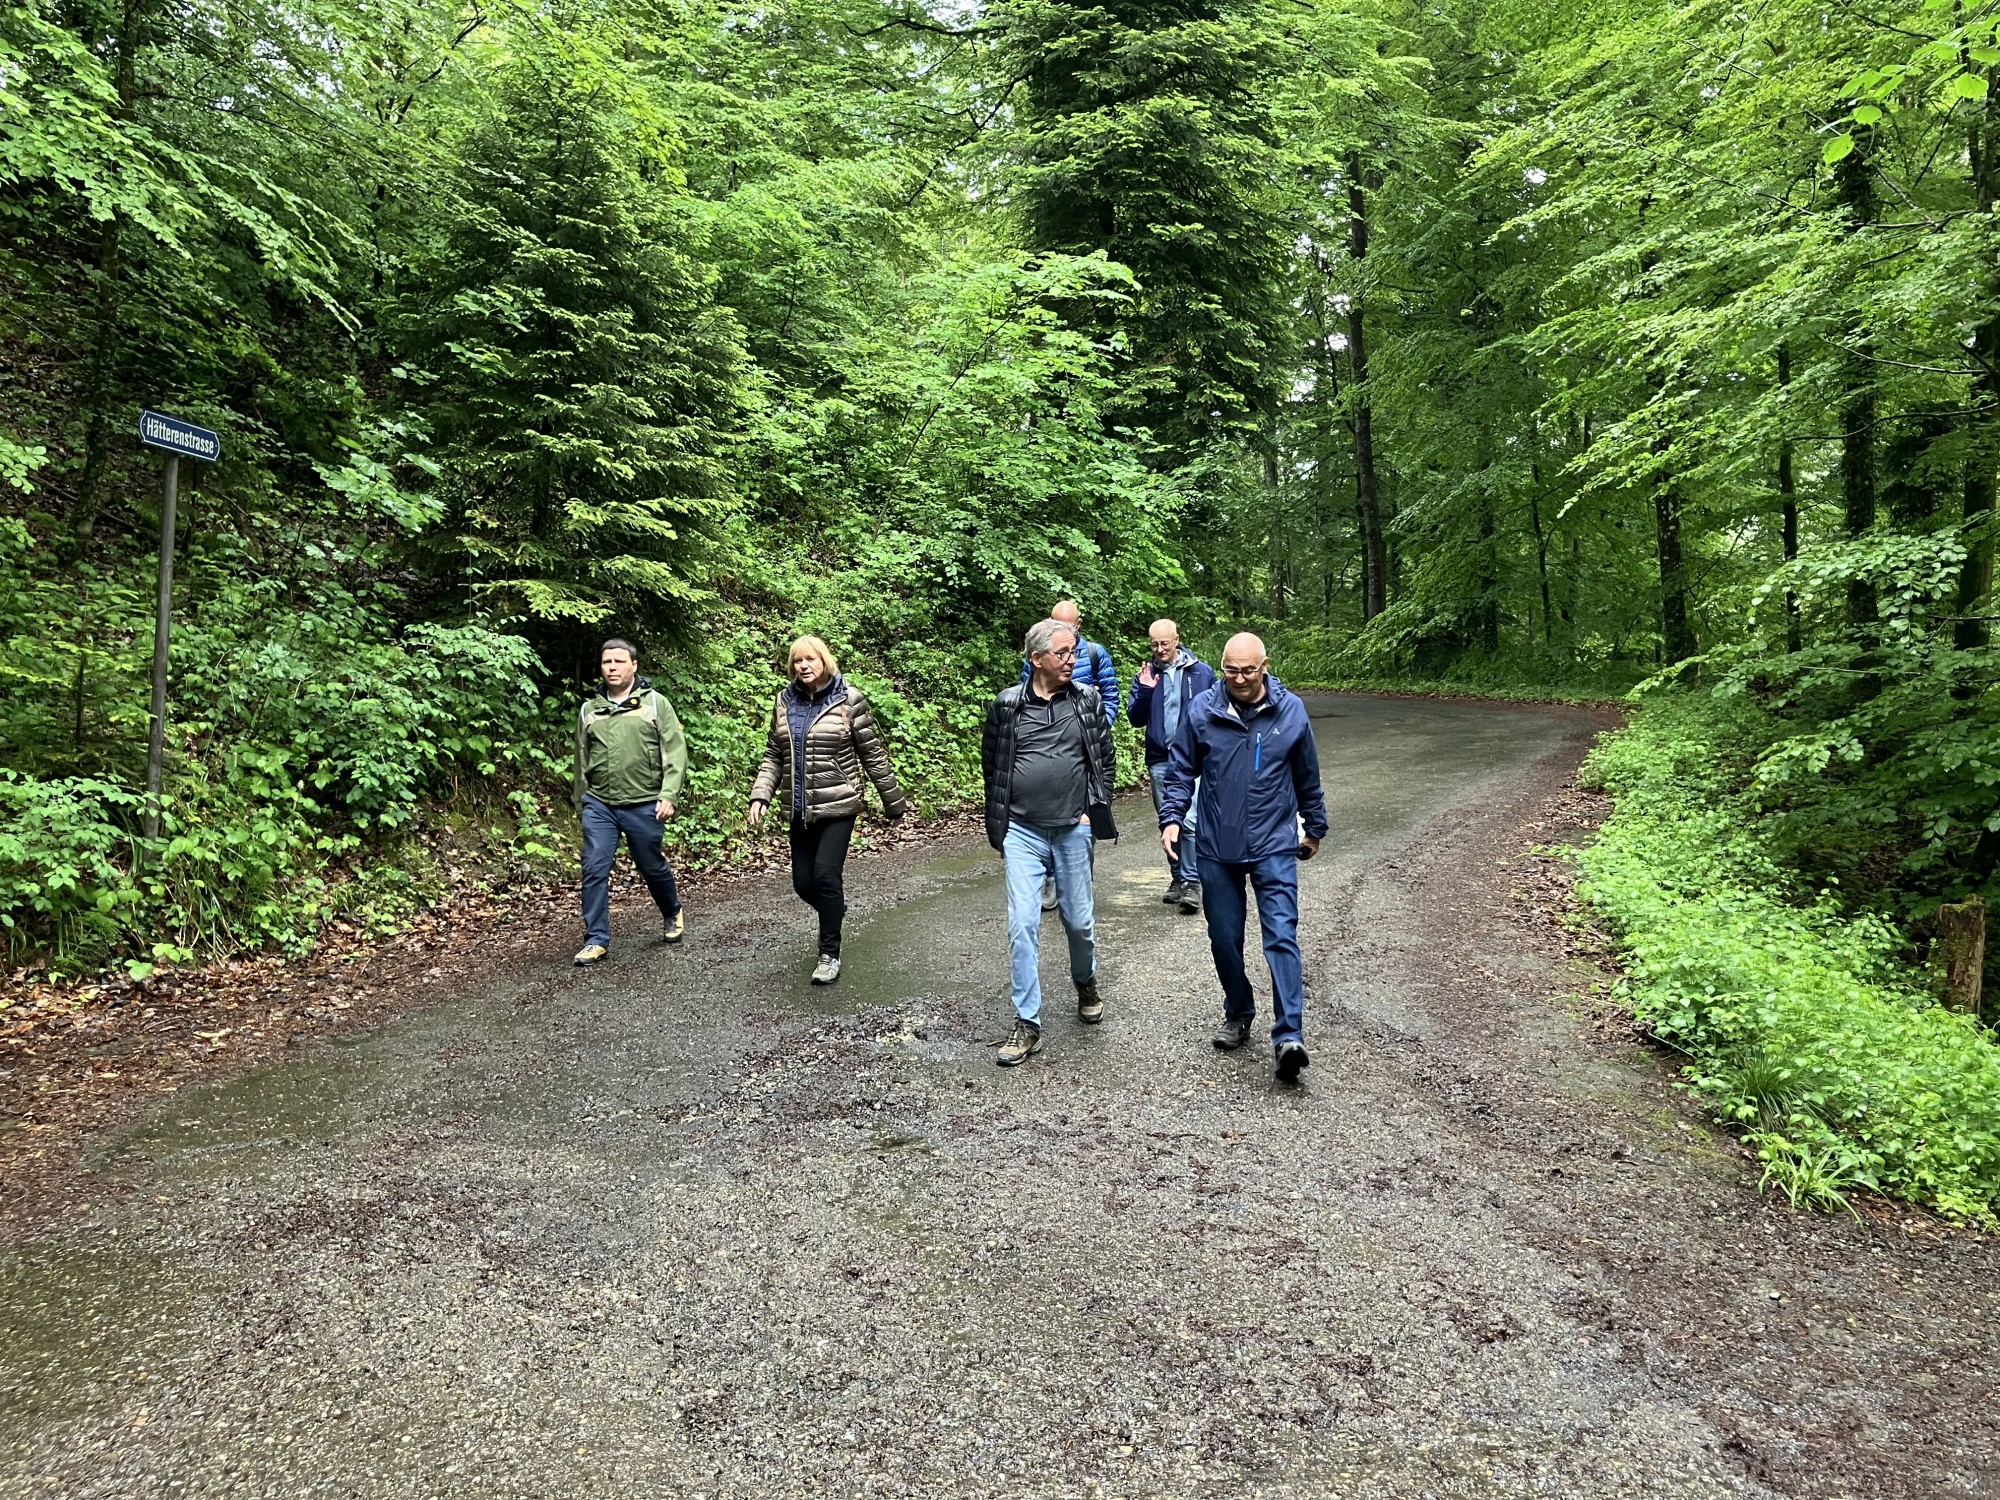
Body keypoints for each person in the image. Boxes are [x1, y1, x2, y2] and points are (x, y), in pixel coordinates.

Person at [1158, 632, 1328, 1083]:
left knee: (1281, 937)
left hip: (1274, 843)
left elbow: (1307, 775)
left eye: (1247, 670)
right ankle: (1238, 1011)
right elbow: (1180, 771)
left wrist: (1314, 828)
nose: (1238, 678)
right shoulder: (1204, 711)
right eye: (1230, 669)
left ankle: (1289, 1036)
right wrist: (1171, 818)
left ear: (1265, 665)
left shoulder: (1289, 711)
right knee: (1225, 938)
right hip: (1217, 845)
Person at [982, 618, 1117, 1066]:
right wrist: (1001, 823)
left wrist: (1089, 809)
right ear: (1037, 658)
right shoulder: (1007, 706)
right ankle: (1028, 1022)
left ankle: (1085, 981)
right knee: (1023, 923)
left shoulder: (1088, 700)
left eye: (1074, 653)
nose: (1071, 661)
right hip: (1022, 831)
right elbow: (993, 767)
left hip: (1073, 829)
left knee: (1079, 923)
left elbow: (1105, 760)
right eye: (1063, 654)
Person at [748, 636, 910, 985]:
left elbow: (873, 754)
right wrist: (760, 795)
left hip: (839, 803)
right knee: (803, 884)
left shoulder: (848, 700)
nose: (803, 666)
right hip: (799, 806)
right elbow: (774, 755)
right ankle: (834, 910)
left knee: (825, 876)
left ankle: (829, 953)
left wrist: (893, 801)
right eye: (797, 661)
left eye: (810, 659)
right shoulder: (783, 702)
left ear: (824, 661)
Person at [573, 638, 687, 965]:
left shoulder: (655, 704)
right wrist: (581, 800)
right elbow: (581, 758)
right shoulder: (590, 709)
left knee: (651, 865)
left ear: (633, 666)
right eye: (607, 662)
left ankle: (671, 909)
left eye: (619, 662)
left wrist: (668, 794)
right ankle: (596, 938)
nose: (612, 668)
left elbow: (675, 751)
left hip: (644, 802)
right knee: (594, 867)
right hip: (600, 803)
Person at [1019, 599, 1118, 910]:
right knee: (1048, 813)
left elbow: (1111, 694)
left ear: (1079, 625)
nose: (1061, 631)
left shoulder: (1093, 653)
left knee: (1081, 814)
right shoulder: (1039, 654)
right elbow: (1025, 696)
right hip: (1046, 744)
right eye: (1055, 623)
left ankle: (1074, 879)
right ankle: (1049, 877)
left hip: (1084, 746)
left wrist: (1096, 728)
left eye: (1068, 625)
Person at [1126, 618, 1216, 913]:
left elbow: (1215, 714)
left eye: (1165, 643)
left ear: (1177, 639)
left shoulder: (1201, 672)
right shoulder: (1146, 673)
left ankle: (1192, 883)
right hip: (1160, 759)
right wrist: (1146, 690)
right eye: (1154, 644)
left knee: (1188, 820)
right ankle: (1177, 878)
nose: (1160, 649)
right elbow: (1135, 718)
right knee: (1169, 822)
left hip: (1193, 760)